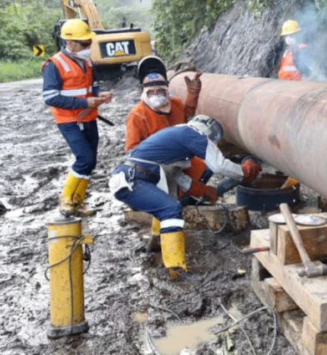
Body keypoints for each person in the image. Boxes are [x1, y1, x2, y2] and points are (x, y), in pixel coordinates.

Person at [109, 115, 261, 279]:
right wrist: (244, 171)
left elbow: (181, 179)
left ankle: (157, 242)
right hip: (133, 180)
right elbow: (219, 165)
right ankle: (176, 267)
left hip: (129, 178)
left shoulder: (174, 140)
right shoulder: (193, 133)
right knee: (171, 210)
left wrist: (203, 190)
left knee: (166, 205)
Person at [126, 58, 214, 250]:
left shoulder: (174, 104)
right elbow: (132, 151)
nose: (157, 95)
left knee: (204, 168)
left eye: (160, 91)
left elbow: (188, 116)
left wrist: (193, 95)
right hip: (154, 168)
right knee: (170, 200)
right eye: (152, 92)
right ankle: (164, 232)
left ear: (167, 90)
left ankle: (186, 199)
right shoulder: (137, 116)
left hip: (180, 161)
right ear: (145, 93)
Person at [42, 19, 113, 217]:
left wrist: (99, 96)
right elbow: (50, 97)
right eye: (85, 43)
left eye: (89, 43)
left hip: (88, 117)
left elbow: (92, 86)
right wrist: (85, 103)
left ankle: (78, 202)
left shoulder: (86, 62)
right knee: (84, 158)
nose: (88, 47)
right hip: (69, 120)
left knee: (90, 161)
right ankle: (66, 199)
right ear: (70, 42)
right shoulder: (54, 65)